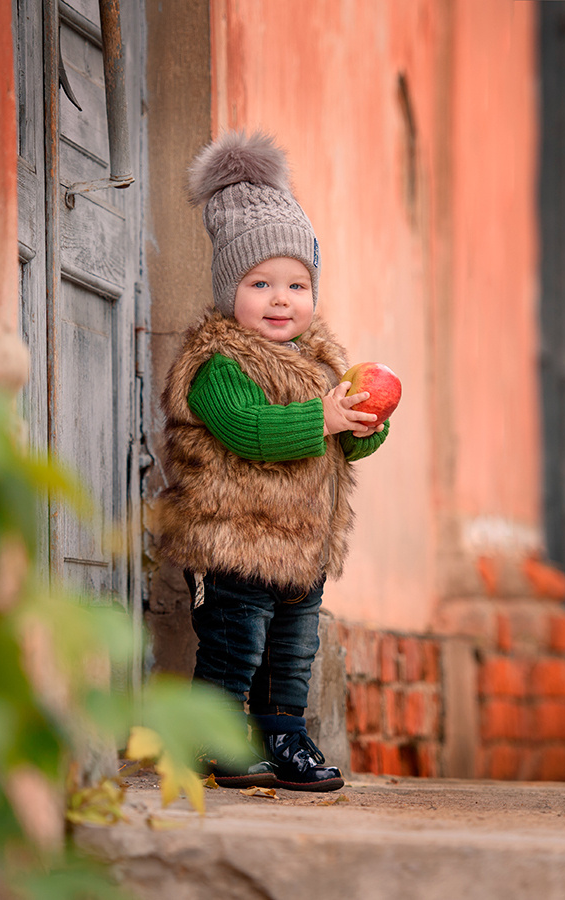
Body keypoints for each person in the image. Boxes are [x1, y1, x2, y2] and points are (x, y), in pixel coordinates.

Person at [156, 131, 392, 792]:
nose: (281, 298)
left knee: (292, 652)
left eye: (296, 283)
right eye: (261, 283)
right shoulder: (218, 363)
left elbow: (339, 444)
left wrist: (363, 424)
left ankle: (285, 736)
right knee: (235, 646)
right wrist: (323, 417)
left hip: (302, 547)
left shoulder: (320, 366)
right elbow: (249, 430)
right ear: (232, 289)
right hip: (236, 541)